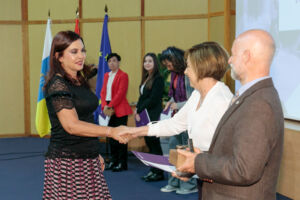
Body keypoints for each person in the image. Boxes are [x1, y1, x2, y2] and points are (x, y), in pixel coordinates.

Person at [173, 29, 284, 200]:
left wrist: (198, 163)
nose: (229, 60)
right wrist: (198, 163)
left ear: (247, 56)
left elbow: (244, 169)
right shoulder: (253, 96)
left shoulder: (259, 103)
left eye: (233, 54)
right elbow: (231, 155)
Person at [123, 42, 233, 198]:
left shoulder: (221, 100)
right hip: (206, 177)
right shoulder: (197, 94)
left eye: (189, 67)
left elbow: (224, 151)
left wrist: (196, 167)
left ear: (203, 67)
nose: (186, 72)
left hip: (220, 183)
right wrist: (135, 131)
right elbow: (175, 124)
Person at [43, 30, 126, 199]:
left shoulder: (79, 80)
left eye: (82, 50)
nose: (81, 56)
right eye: (74, 52)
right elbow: (72, 125)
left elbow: (85, 118)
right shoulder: (57, 85)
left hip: (87, 157)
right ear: (59, 57)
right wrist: (111, 131)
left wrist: (94, 152)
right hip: (68, 162)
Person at [159, 46, 197, 194]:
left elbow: (194, 98)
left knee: (186, 150)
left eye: (169, 63)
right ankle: (174, 181)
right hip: (177, 117)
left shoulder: (189, 73)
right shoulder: (174, 74)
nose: (168, 67)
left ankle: (189, 185)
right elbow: (175, 94)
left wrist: (178, 104)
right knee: (173, 150)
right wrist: (171, 101)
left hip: (188, 119)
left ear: (176, 59)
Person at [101, 53, 133, 172]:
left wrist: (109, 106)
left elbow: (120, 93)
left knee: (121, 138)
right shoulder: (106, 75)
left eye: (114, 60)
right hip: (109, 108)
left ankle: (122, 163)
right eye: (109, 61)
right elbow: (103, 92)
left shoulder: (123, 75)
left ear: (119, 62)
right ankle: (113, 161)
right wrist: (104, 105)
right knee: (111, 137)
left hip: (119, 109)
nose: (112, 63)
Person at [135, 53, 165, 182]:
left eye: (150, 61)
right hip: (144, 114)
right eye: (145, 61)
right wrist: (137, 109)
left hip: (153, 114)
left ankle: (159, 173)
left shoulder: (158, 79)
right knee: (149, 143)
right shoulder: (146, 77)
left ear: (155, 63)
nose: (147, 63)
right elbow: (142, 97)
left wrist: (140, 109)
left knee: (154, 144)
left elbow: (153, 99)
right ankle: (153, 170)